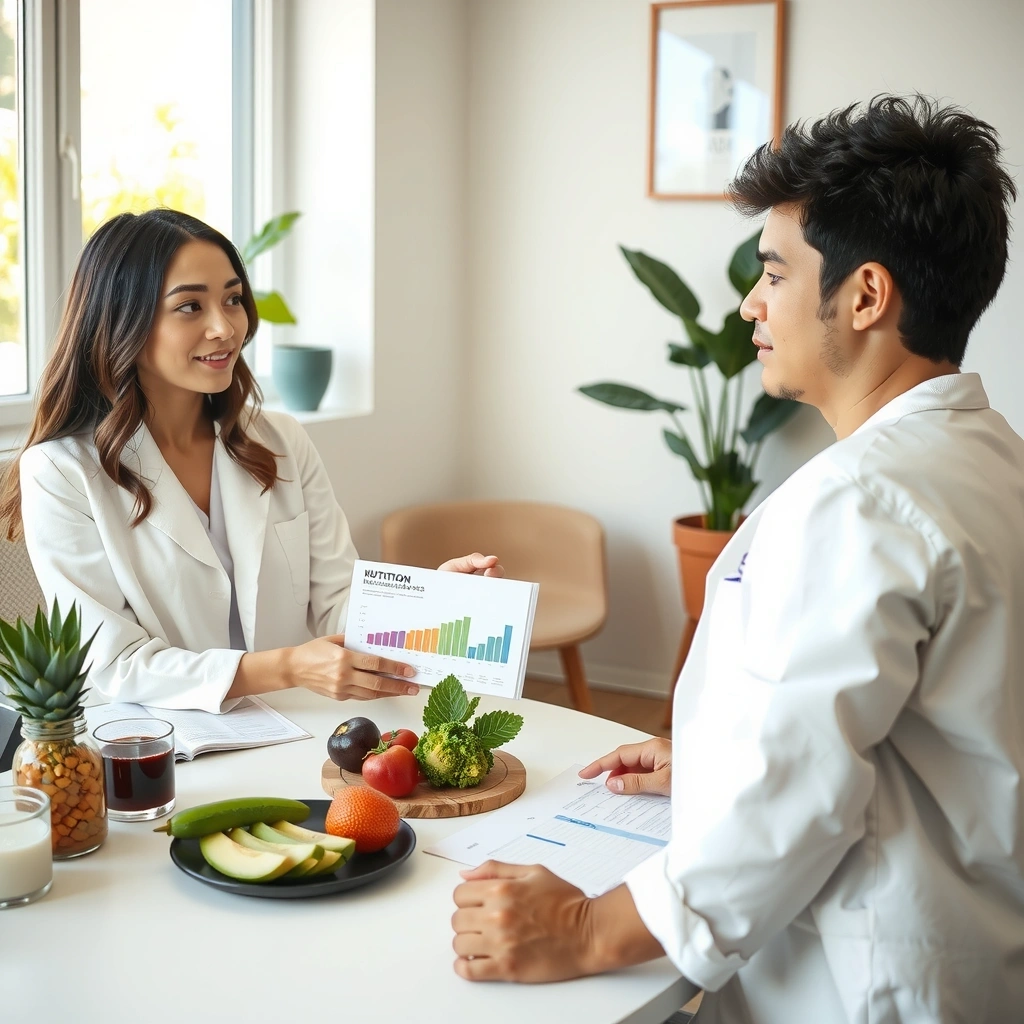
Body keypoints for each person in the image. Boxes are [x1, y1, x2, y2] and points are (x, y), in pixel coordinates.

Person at [451, 95, 1024, 1022]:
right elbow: (924, 729)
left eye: (774, 272)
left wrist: (587, 928)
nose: (752, 303)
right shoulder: (990, 459)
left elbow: (799, 792)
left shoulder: (859, 501)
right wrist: (720, 758)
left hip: (866, 987)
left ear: (866, 295)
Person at [0, 209, 501, 714]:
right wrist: (288, 668)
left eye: (233, 299)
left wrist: (433, 605)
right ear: (121, 320)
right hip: (161, 740)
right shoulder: (61, 472)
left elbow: (339, 605)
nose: (225, 327)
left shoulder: (281, 441)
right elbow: (115, 663)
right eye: (190, 306)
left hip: (298, 723)